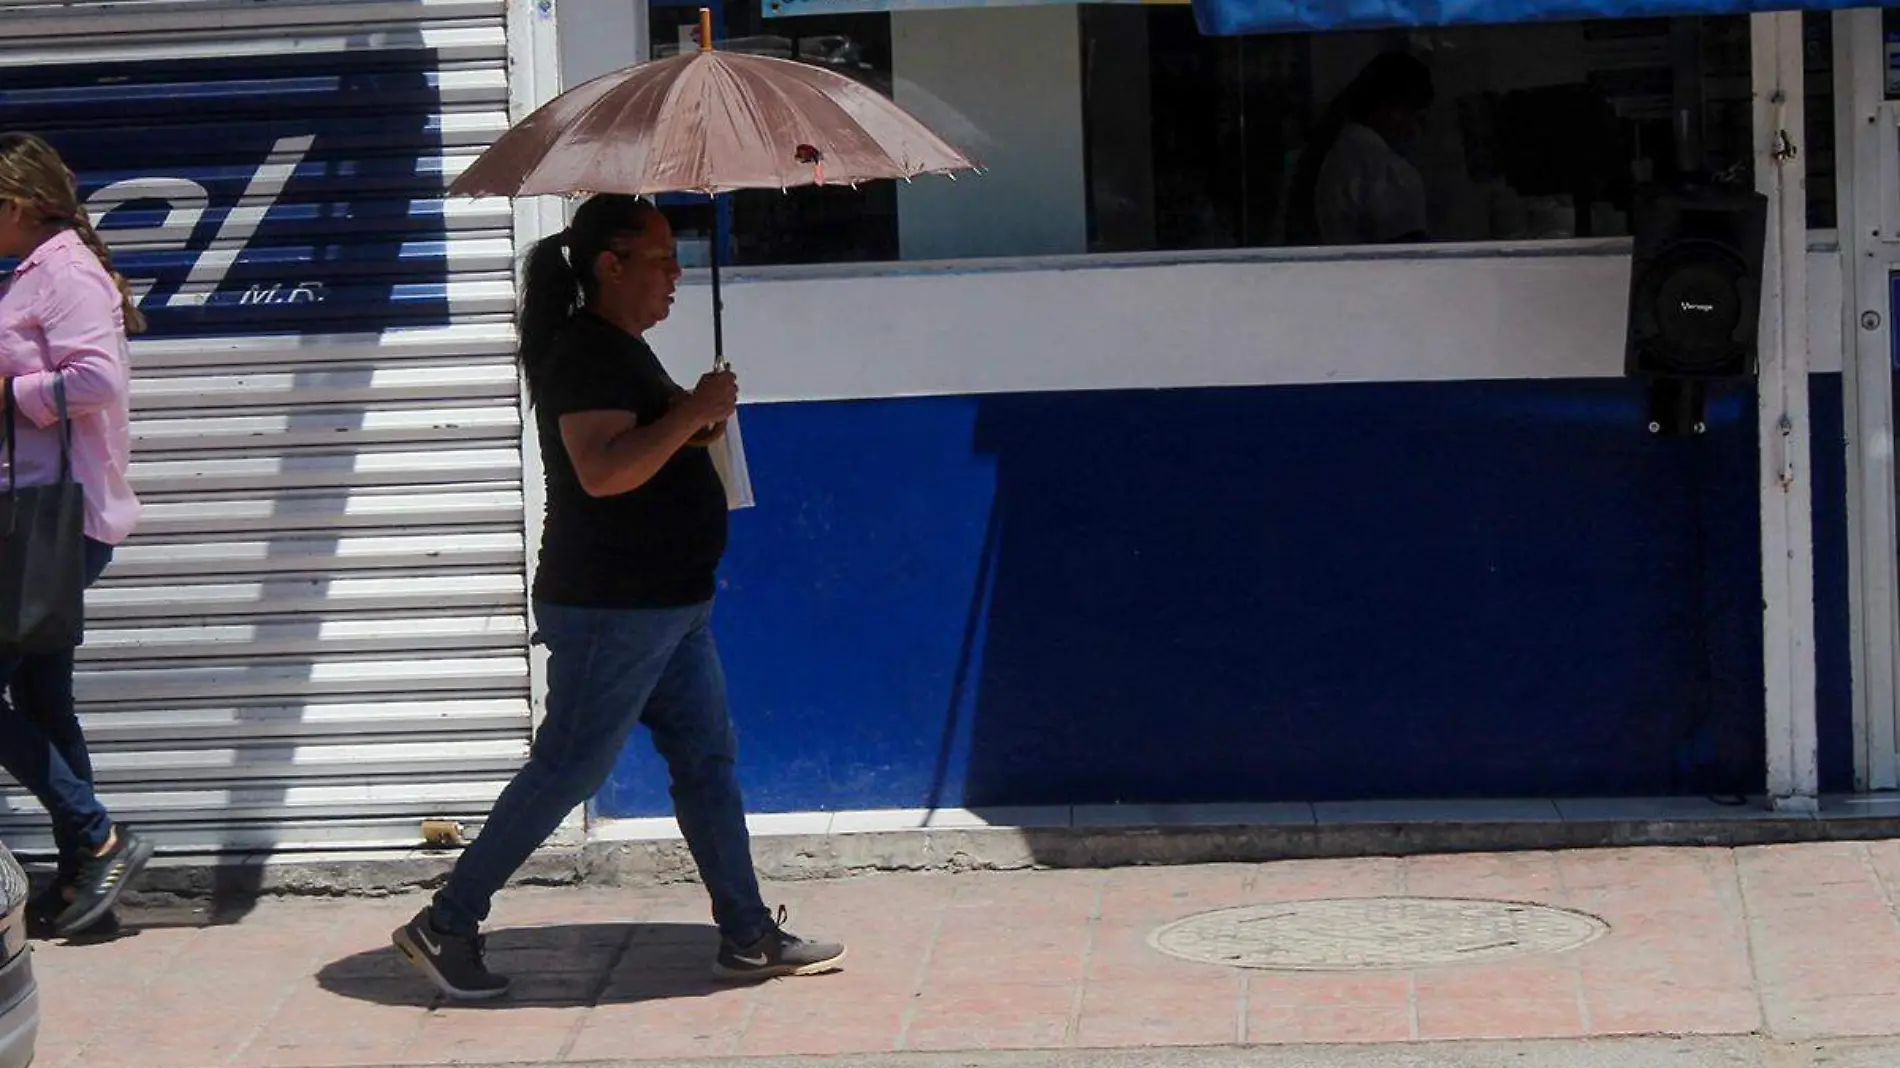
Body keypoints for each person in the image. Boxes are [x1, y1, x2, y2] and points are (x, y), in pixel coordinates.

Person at [393, 193, 845, 1001]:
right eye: (662, 259)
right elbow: (604, 471)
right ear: (611, 265)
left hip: (670, 606)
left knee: (707, 763)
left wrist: (693, 417)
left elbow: (641, 444)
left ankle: (746, 934)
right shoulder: (586, 353)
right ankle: (447, 922)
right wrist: (691, 415)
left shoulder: (622, 349)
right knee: (568, 768)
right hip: (613, 607)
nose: (676, 274)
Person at [0, 131, 154, 938]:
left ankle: (100, 836)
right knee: (41, 693)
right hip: (34, 515)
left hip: (57, 519)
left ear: (19, 204)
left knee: (23, 689)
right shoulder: (36, 270)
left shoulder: (65, 273)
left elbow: (98, 379)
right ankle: (85, 886)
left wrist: (12, 391)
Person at [1285, 52, 1436, 247]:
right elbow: (1408, 260)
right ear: (1394, 111)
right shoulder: (1387, 170)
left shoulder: (1330, 151)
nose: (1417, 130)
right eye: (1418, 116)